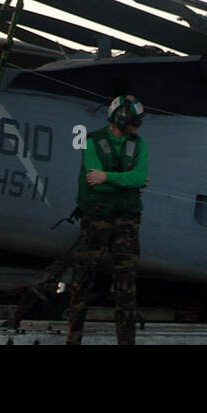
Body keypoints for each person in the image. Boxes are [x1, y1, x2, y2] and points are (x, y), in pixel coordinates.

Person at [66, 93, 148, 345]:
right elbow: (95, 183)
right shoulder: (92, 142)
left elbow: (139, 176)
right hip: (97, 220)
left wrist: (109, 177)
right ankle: (73, 339)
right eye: (134, 122)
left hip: (127, 222)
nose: (137, 127)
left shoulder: (139, 144)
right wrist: (128, 182)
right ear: (122, 120)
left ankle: (126, 341)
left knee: (126, 286)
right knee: (83, 282)